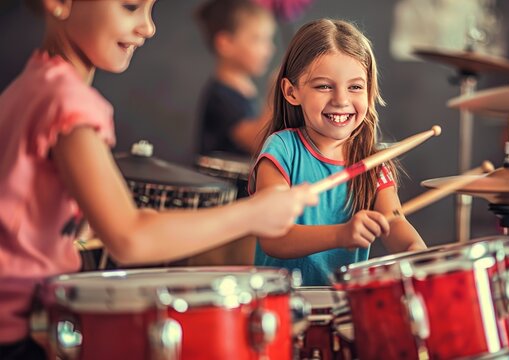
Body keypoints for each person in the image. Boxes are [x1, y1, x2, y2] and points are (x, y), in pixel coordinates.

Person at [0, 1, 317, 358]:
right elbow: (130, 239)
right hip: (18, 337)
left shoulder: (31, 84)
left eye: (151, 10)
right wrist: (254, 213)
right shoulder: (67, 102)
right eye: (131, 6)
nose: (148, 27)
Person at [250, 19, 427, 286]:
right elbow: (273, 238)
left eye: (355, 87)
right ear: (291, 91)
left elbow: (396, 225)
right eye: (324, 86)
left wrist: (420, 257)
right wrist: (341, 235)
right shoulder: (281, 149)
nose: (341, 100)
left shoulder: (374, 164)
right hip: (282, 307)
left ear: (369, 92)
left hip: (345, 308)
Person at [195, 0, 276, 157]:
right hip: (219, 181)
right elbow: (258, 142)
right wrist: (276, 95)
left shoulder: (246, 91)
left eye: (269, 40)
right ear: (225, 43)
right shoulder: (221, 97)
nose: (269, 49)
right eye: (258, 39)